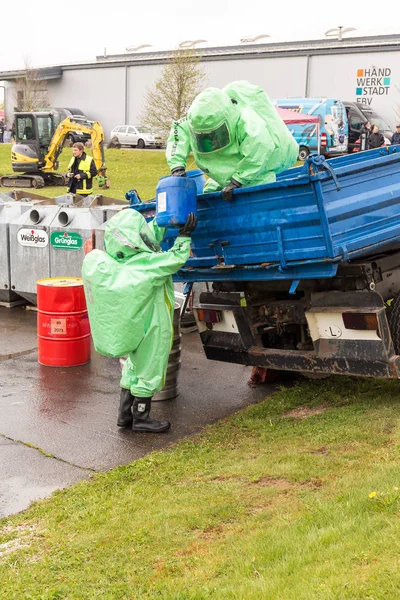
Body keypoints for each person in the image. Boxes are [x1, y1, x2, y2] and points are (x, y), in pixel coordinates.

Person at [82, 208, 197, 433]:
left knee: (133, 367)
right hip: (152, 322)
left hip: (135, 324)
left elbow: (145, 236)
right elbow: (174, 259)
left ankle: (124, 414)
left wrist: (164, 221)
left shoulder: (121, 261)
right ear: (134, 239)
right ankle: (142, 417)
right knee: (150, 366)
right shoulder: (145, 265)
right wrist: (184, 237)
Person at [166, 80, 299, 201]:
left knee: (258, 195)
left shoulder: (247, 123)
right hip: (225, 175)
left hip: (258, 171)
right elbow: (178, 133)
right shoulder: (195, 122)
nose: (212, 141)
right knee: (209, 195)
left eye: (214, 134)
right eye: (204, 136)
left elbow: (259, 149)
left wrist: (237, 181)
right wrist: (177, 167)